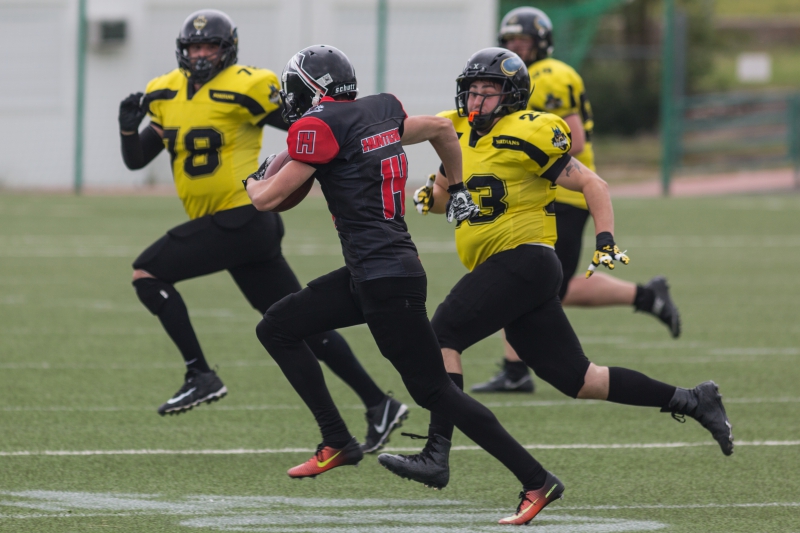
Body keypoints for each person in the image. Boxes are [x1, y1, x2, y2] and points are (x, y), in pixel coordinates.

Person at [377, 47, 734, 494]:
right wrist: (430, 198)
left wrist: (606, 239)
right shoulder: (455, 129)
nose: (477, 100)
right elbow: (449, 194)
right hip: (512, 270)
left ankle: (437, 453)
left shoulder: (529, 131)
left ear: (512, 96)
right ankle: (693, 399)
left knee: (442, 334)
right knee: (582, 380)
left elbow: (591, 182)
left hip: (525, 259)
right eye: (472, 90)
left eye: (488, 91)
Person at [246, 44, 566, 526]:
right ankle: (337, 440)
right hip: (376, 272)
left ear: (310, 89)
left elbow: (267, 200)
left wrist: (253, 180)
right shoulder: (379, 111)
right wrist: (457, 187)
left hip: (383, 280)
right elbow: (441, 130)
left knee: (436, 392)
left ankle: (536, 479)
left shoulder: (320, 127)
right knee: (277, 326)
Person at [118, 9, 407, 454]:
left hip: (241, 218)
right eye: (194, 47)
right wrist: (126, 127)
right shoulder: (165, 91)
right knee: (296, 323)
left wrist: (302, 166)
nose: (201, 54)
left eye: (209, 46)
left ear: (227, 50)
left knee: (147, 273)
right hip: (238, 229)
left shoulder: (249, 84)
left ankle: (199, 373)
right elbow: (137, 160)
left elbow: (309, 122)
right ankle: (379, 404)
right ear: (181, 51)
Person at [471, 6, 682, 394]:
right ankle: (646, 296)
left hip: (565, 192)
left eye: (523, 39)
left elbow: (574, 140)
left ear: (541, 42)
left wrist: (523, 146)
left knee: (529, 282)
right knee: (544, 282)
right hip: (537, 190)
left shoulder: (553, 75)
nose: (517, 46)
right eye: (511, 40)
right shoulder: (509, 77)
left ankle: (520, 369)